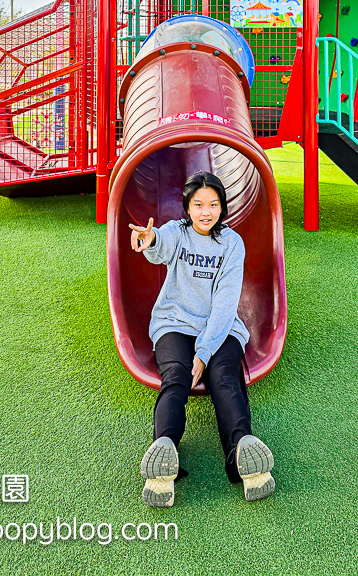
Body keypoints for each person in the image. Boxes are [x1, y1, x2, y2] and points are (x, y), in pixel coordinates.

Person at [129, 170, 275, 508]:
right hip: (174, 322)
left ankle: (244, 456)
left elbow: (225, 303)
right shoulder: (175, 233)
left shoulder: (231, 244)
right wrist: (150, 240)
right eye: (198, 205)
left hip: (219, 327)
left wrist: (205, 352)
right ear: (188, 207)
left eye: (213, 204)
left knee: (225, 380)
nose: (206, 212)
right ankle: (163, 460)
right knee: (176, 377)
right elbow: (159, 246)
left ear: (223, 208)